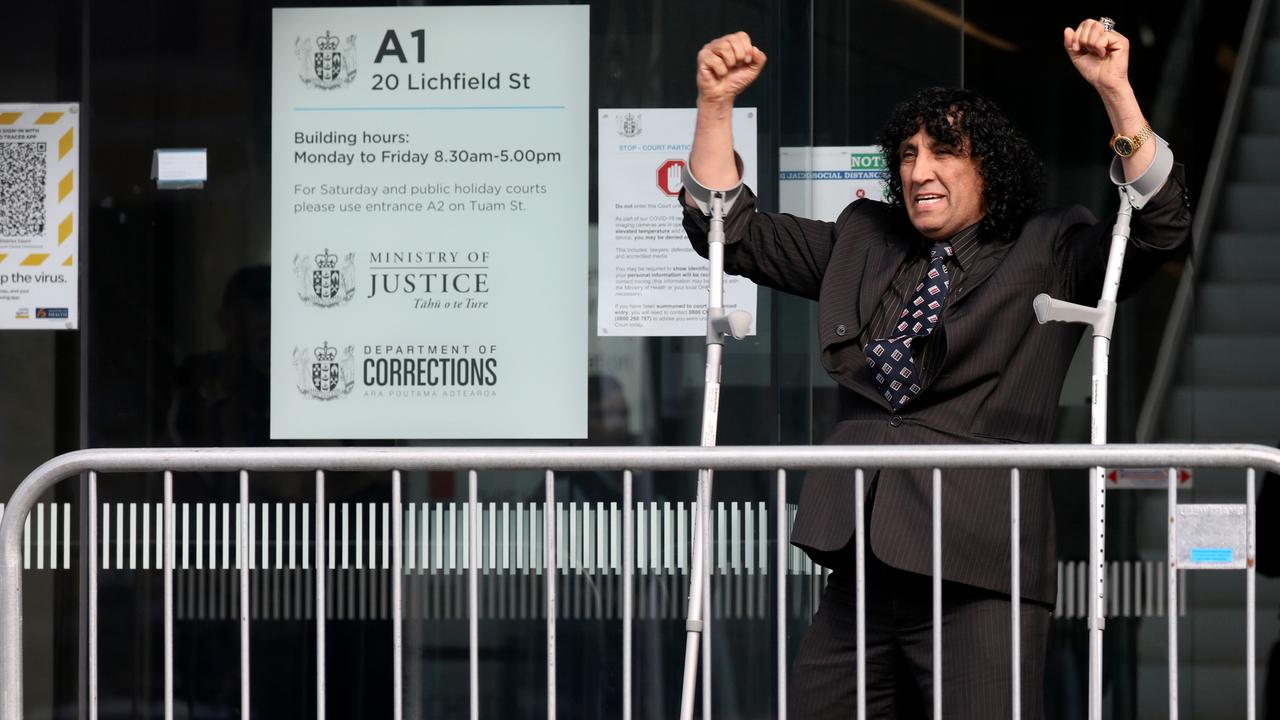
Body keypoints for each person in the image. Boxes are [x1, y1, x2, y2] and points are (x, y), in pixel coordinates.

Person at [680, 20, 1192, 719]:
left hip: (979, 573)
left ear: (991, 166)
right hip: (859, 568)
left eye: (945, 153)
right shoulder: (863, 241)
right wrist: (715, 107)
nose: (919, 171)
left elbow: (1159, 224)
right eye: (909, 154)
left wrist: (1115, 94)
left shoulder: (1050, 249)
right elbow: (730, 234)